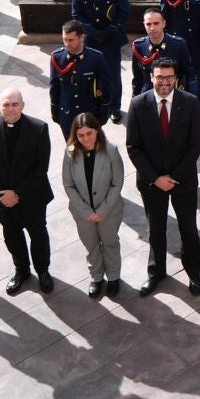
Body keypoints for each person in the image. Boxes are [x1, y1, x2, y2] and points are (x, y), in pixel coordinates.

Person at [126, 59, 200, 296]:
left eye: (169, 77)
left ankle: (194, 273)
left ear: (176, 79)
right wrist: (156, 178)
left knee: (188, 229)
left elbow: (195, 146)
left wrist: (174, 176)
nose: (164, 82)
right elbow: (133, 146)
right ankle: (156, 272)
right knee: (155, 229)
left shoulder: (190, 103)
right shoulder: (138, 104)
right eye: (159, 77)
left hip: (183, 181)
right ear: (151, 77)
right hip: (151, 183)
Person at [0, 88, 55, 295]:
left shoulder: (39, 128)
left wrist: (17, 193)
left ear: (22, 105)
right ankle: (21, 270)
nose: (11, 109)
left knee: (38, 234)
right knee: (12, 235)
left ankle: (43, 271)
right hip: (2, 199)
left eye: (15, 104)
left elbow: (41, 168)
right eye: (6, 104)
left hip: (32, 197)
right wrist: (4, 195)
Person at [60, 111, 125, 299]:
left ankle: (113, 277)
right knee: (91, 245)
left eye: (89, 134)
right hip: (83, 213)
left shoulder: (111, 151)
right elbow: (68, 184)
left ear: (97, 131)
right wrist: (86, 211)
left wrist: (102, 210)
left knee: (110, 242)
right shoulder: (70, 152)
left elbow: (117, 183)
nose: (85, 139)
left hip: (109, 211)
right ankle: (96, 277)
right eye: (80, 135)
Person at [71, 0, 130, 119]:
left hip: (111, 38)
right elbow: (76, 13)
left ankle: (114, 107)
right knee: (90, 73)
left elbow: (125, 10)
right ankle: (93, 105)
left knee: (112, 74)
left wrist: (112, 28)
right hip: (90, 39)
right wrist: (90, 30)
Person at [50, 21, 114, 138]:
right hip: (67, 116)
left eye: (71, 40)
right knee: (72, 150)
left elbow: (106, 87)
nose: (67, 44)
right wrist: (55, 112)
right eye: (65, 39)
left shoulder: (96, 58)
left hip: (90, 116)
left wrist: (103, 113)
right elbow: (54, 87)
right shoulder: (57, 58)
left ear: (82, 37)